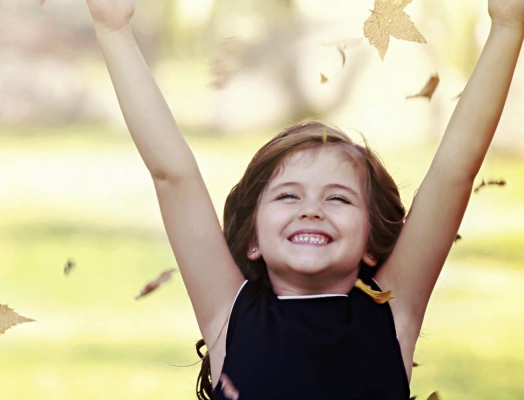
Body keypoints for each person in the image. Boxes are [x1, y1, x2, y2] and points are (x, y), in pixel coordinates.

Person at [84, 0, 524, 398]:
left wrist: (507, 25)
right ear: (253, 239)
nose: (311, 209)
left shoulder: (394, 313)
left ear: (371, 242)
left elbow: (454, 172)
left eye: (338, 199)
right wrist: (113, 28)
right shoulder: (228, 316)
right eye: (288, 195)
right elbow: (172, 175)